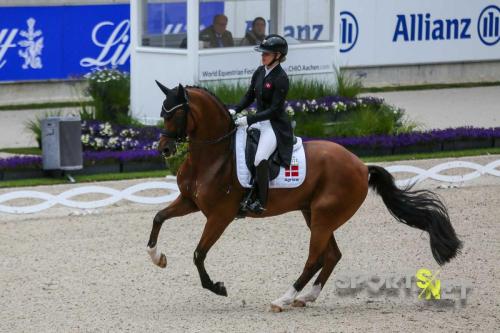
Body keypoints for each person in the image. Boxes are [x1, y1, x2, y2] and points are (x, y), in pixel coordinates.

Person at [229, 34, 293, 214]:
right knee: (238, 148)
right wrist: (236, 109)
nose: (263, 56)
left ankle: (261, 201)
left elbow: (274, 110)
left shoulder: (281, 78)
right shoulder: (260, 71)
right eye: (262, 53)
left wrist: (248, 119)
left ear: (278, 56)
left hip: (274, 125)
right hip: (259, 121)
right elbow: (250, 95)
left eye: (267, 53)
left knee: (260, 158)